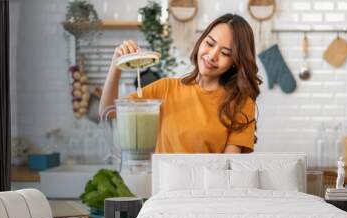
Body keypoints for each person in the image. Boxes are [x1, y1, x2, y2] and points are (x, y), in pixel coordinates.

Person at [100, 13, 261, 154]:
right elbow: (108, 112)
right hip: (163, 188)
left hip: (208, 189)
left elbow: (228, 167)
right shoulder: (165, 89)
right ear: (201, 41)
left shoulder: (241, 103)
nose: (212, 55)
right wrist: (116, 65)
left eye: (225, 53)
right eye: (210, 44)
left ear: (235, 62)